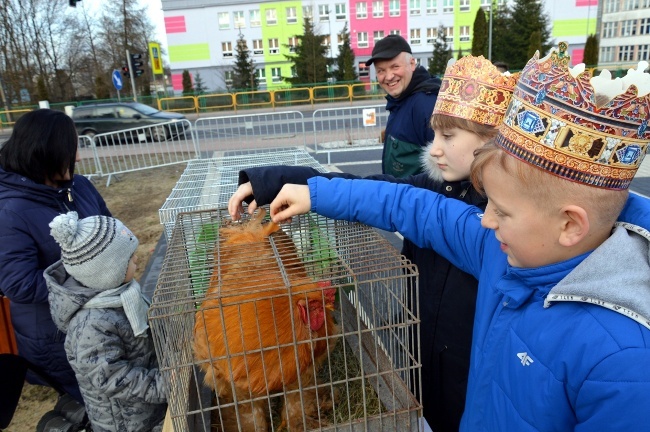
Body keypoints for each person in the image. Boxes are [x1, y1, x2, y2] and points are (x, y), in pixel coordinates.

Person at [265, 43, 650, 430]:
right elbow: (410, 203)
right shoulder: (501, 249)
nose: (484, 220)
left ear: (570, 225)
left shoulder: (624, 363)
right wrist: (314, 192)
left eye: (500, 209)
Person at [228, 55, 519, 432]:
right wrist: (274, 181)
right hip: (422, 358)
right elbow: (365, 187)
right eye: (434, 135)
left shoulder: (507, 226)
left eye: (448, 137)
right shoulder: (434, 187)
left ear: (491, 143)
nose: (433, 148)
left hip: (469, 379)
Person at [0, 109, 111, 405]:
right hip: (56, 336)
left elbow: (109, 227)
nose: (77, 158)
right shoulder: (10, 212)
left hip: (98, 318)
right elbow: (19, 285)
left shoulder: (79, 185)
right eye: (70, 149)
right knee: (97, 404)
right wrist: (91, 273)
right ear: (44, 152)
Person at [44, 211, 167, 432]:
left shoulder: (120, 294)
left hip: (147, 406)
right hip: (125, 422)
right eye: (129, 258)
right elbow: (111, 377)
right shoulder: (91, 324)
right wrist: (163, 384)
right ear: (106, 273)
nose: (137, 259)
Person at [366, 34, 441, 178]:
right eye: (381, 70)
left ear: (412, 64)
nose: (388, 77)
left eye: (395, 67)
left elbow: (447, 173)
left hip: (416, 199)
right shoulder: (401, 99)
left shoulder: (425, 105)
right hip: (401, 196)